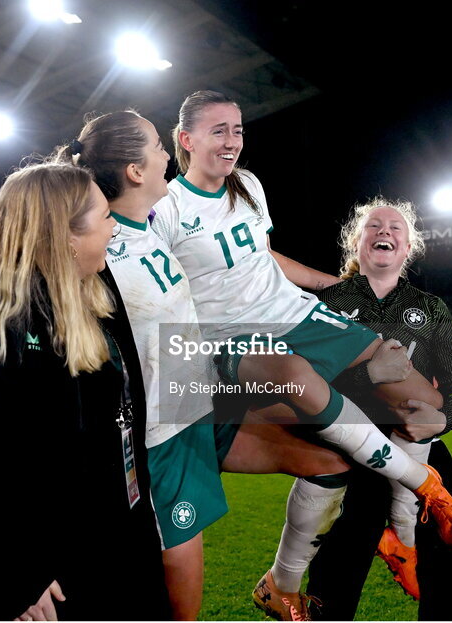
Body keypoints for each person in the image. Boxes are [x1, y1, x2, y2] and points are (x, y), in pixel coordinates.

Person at [59, 109, 400, 620]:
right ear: (134, 170)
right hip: (161, 425)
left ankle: (285, 583)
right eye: (156, 145)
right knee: (179, 564)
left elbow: (244, 266)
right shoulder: (100, 252)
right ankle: (419, 496)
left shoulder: (152, 223)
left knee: (330, 463)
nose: (164, 154)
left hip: (202, 397)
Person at [153, 90, 452, 620]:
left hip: (300, 314)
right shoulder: (164, 209)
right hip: (233, 336)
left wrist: (331, 286)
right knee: (302, 390)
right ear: (186, 140)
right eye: (219, 130)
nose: (233, 140)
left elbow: (262, 257)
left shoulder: (250, 187)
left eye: (237, 129)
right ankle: (416, 499)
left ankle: (402, 541)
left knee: (418, 399)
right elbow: (157, 289)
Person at [0, 162, 172, 621]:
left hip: (109, 545)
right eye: (103, 215)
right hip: (42, 581)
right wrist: (17, 576)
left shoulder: (88, 298)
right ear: (66, 237)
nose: (114, 224)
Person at [306, 199, 452, 620]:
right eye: (374, 226)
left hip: (421, 454)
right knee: (335, 576)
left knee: (443, 569)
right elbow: (302, 385)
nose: (385, 231)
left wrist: (441, 420)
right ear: (358, 242)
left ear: (407, 248)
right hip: (345, 453)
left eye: (396, 228)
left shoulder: (432, 308)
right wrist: (370, 377)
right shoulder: (323, 303)